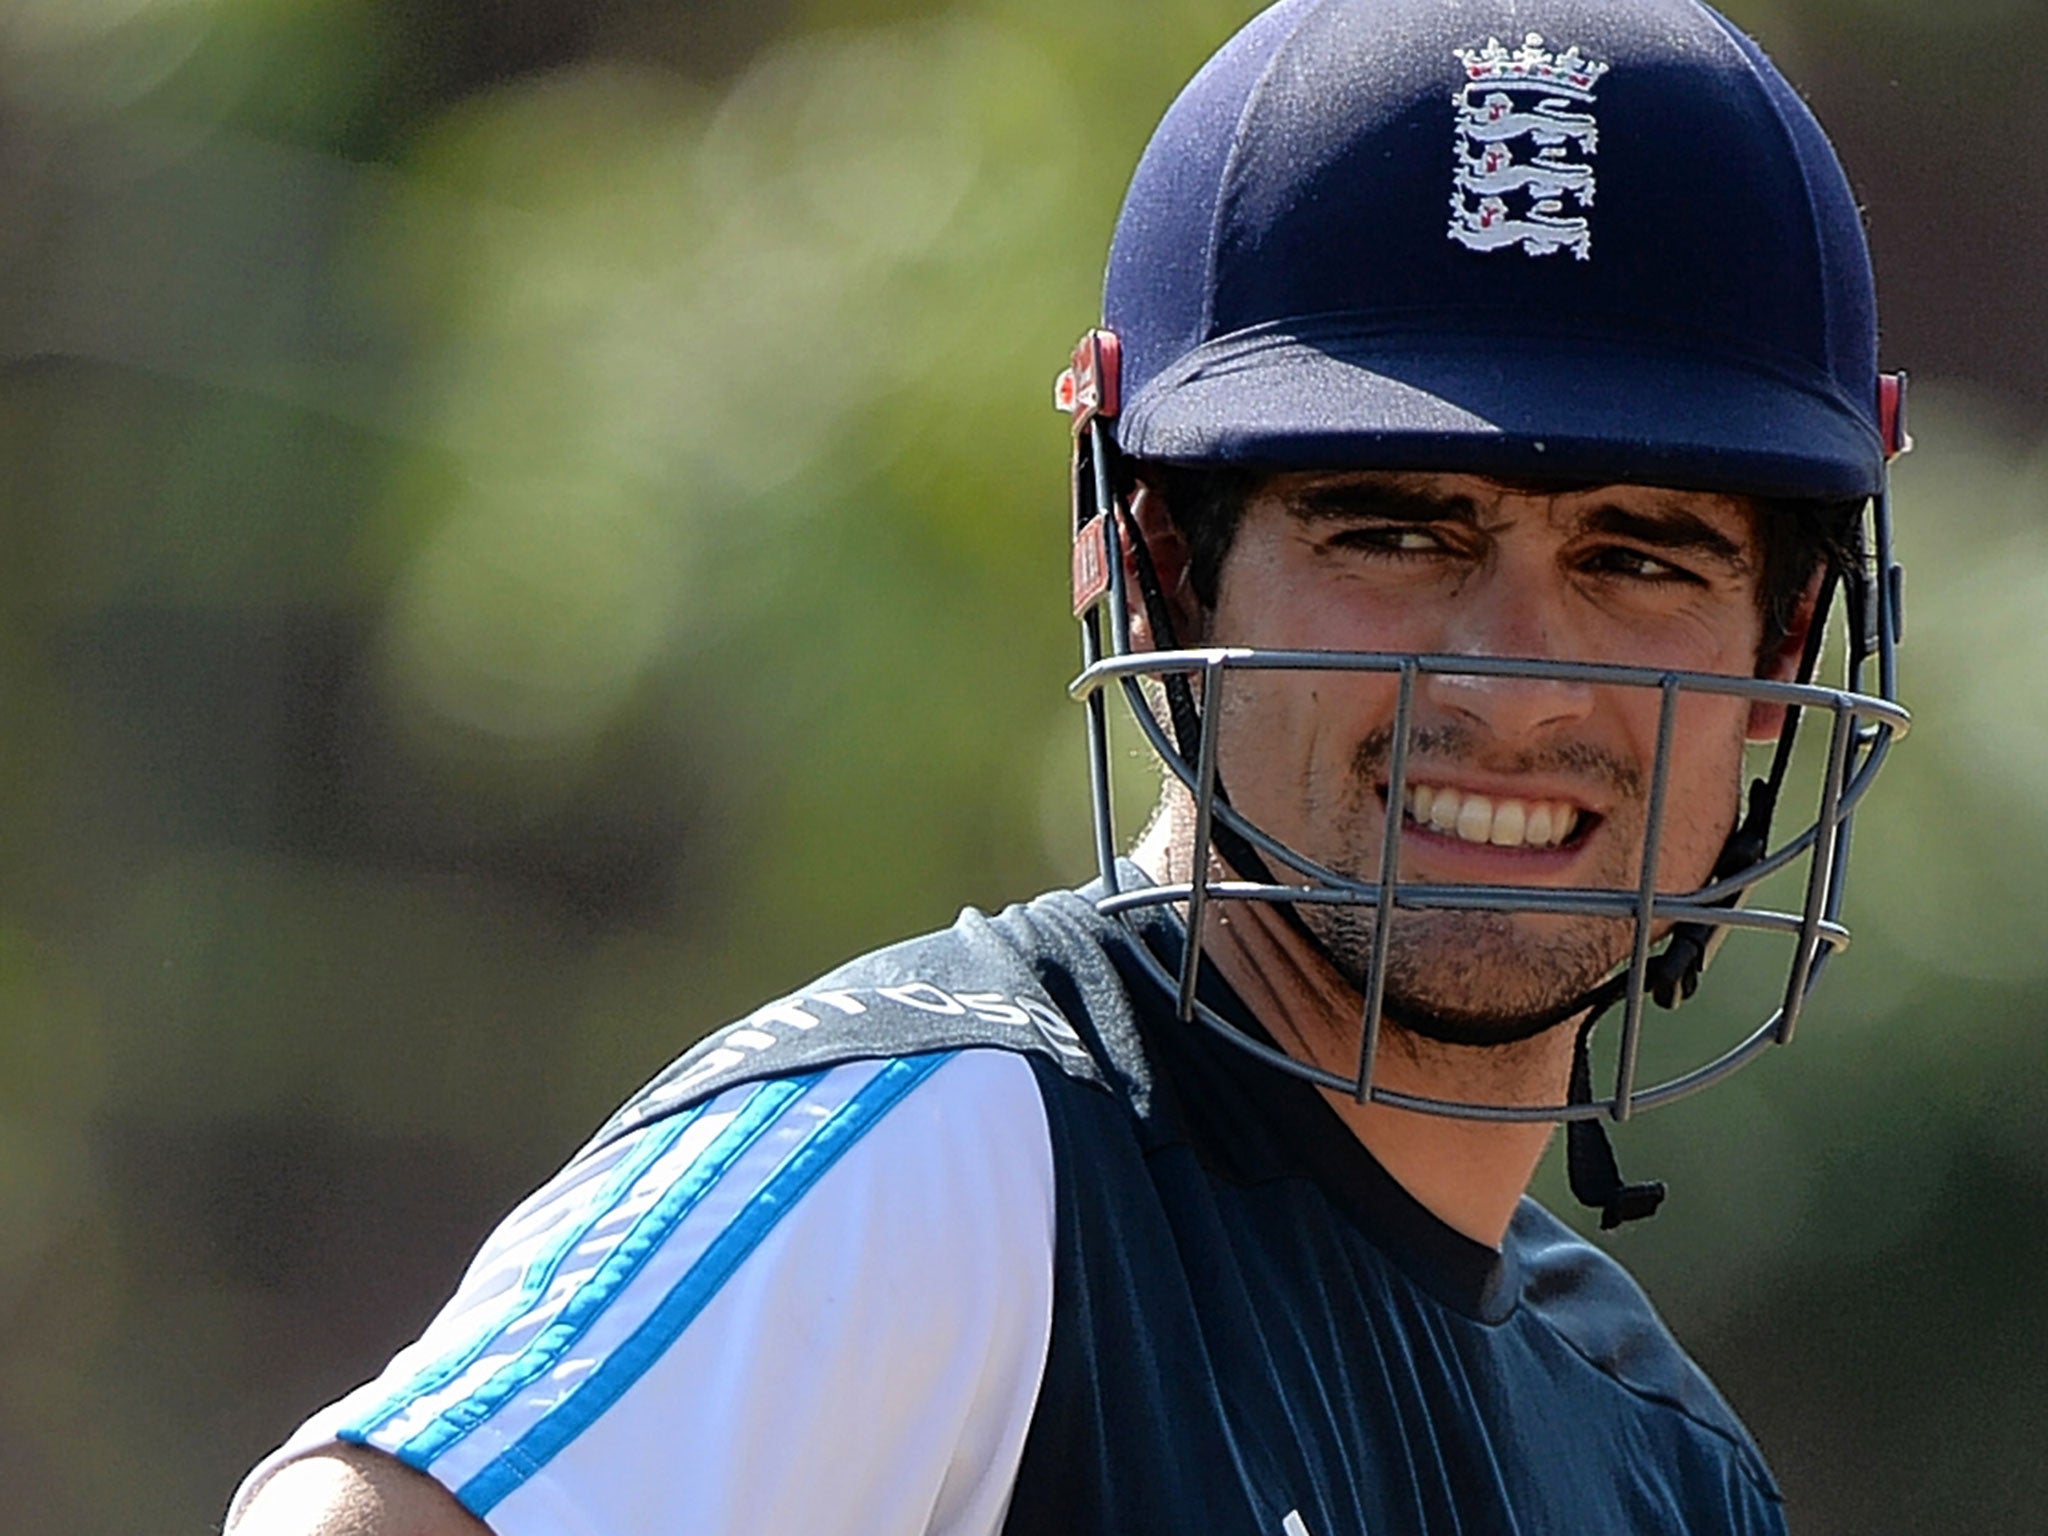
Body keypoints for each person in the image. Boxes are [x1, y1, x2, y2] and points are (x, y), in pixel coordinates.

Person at [225, 0, 1911, 1531]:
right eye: (1395, 529)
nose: (1517, 682)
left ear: (1780, 655)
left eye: (1640, 557)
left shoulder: (1660, 1458)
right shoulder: (960, 1159)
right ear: (1165, 568)